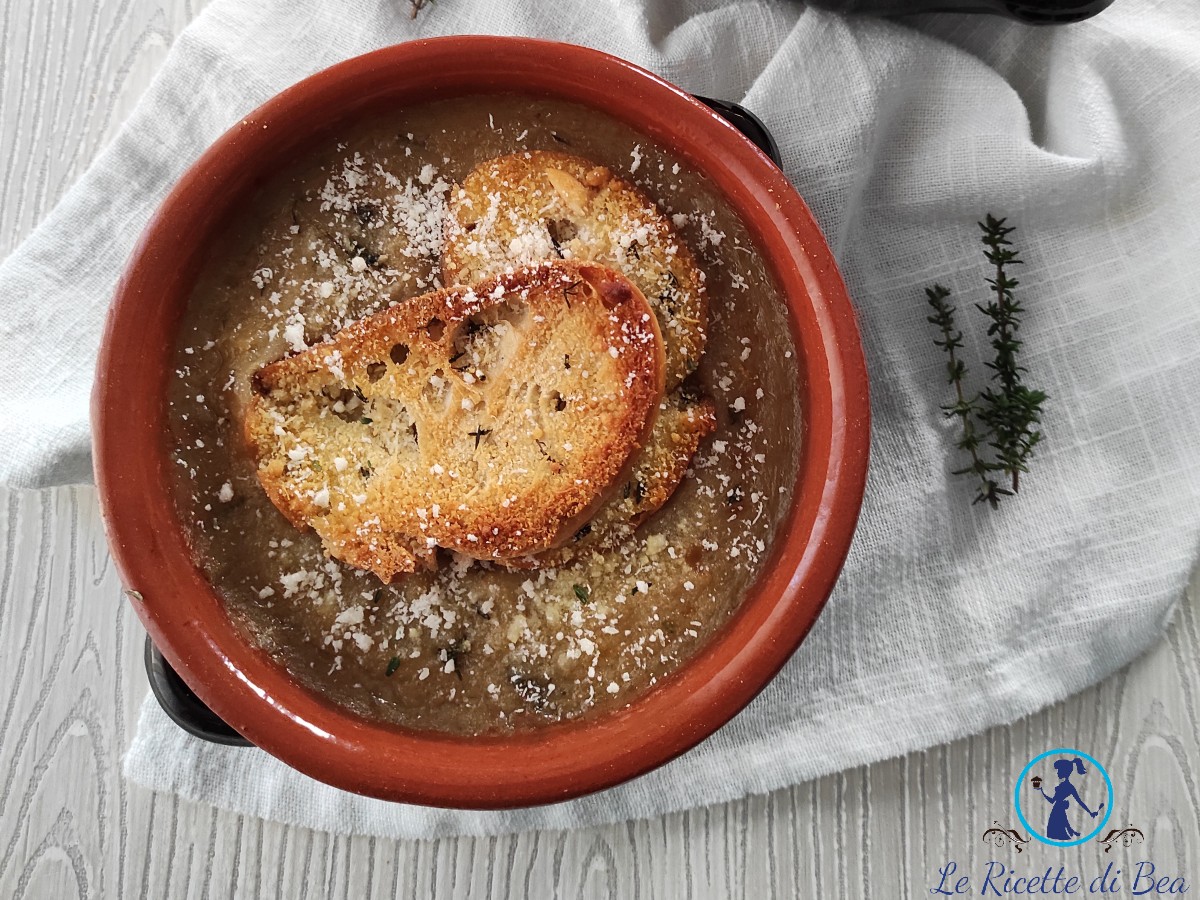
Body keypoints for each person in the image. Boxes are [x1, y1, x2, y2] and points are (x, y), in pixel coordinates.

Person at [1036, 757, 1099, 840]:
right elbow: (1052, 801)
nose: (1057, 773)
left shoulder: (1069, 787)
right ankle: (1071, 831)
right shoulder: (1063, 786)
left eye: (1059, 770)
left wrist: (1090, 812)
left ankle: (1071, 831)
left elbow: (1079, 801)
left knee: (1058, 832)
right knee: (1059, 829)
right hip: (1057, 810)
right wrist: (1042, 792)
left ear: (1064, 772)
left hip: (1058, 810)